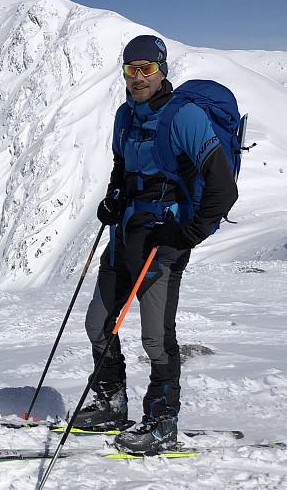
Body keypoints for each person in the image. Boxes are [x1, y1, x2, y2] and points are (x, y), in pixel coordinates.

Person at [75, 34, 239, 454]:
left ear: (162, 70)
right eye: (131, 69)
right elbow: (121, 167)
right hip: (123, 236)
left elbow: (223, 188)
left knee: (155, 338)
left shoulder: (183, 117)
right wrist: (112, 199)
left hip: (161, 241)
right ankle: (111, 404)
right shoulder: (124, 117)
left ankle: (162, 421)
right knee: (98, 323)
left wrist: (186, 235)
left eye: (146, 68)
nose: (137, 77)